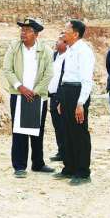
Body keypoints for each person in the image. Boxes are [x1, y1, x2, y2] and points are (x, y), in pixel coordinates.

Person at [2, 17, 54, 178]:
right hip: (19, 94)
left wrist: (36, 91)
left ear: (36, 34)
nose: (23, 33)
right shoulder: (14, 47)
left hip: (38, 96)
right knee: (19, 131)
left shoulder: (45, 50)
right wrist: (21, 87)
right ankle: (19, 166)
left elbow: (49, 73)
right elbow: (7, 69)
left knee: (37, 131)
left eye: (27, 30)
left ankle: (38, 164)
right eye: (22, 30)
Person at [54, 19, 95, 185]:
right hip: (66, 92)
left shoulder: (83, 51)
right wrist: (61, 100)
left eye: (67, 30)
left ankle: (83, 171)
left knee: (79, 133)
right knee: (67, 131)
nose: (63, 32)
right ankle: (69, 167)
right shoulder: (70, 50)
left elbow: (86, 80)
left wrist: (80, 103)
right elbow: (66, 76)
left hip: (77, 93)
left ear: (75, 34)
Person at [47, 33, 68, 162]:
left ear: (66, 43)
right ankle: (61, 151)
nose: (56, 42)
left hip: (62, 96)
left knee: (64, 125)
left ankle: (67, 152)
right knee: (57, 126)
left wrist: (61, 98)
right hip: (52, 96)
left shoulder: (68, 58)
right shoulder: (54, 56)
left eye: (59, 40)